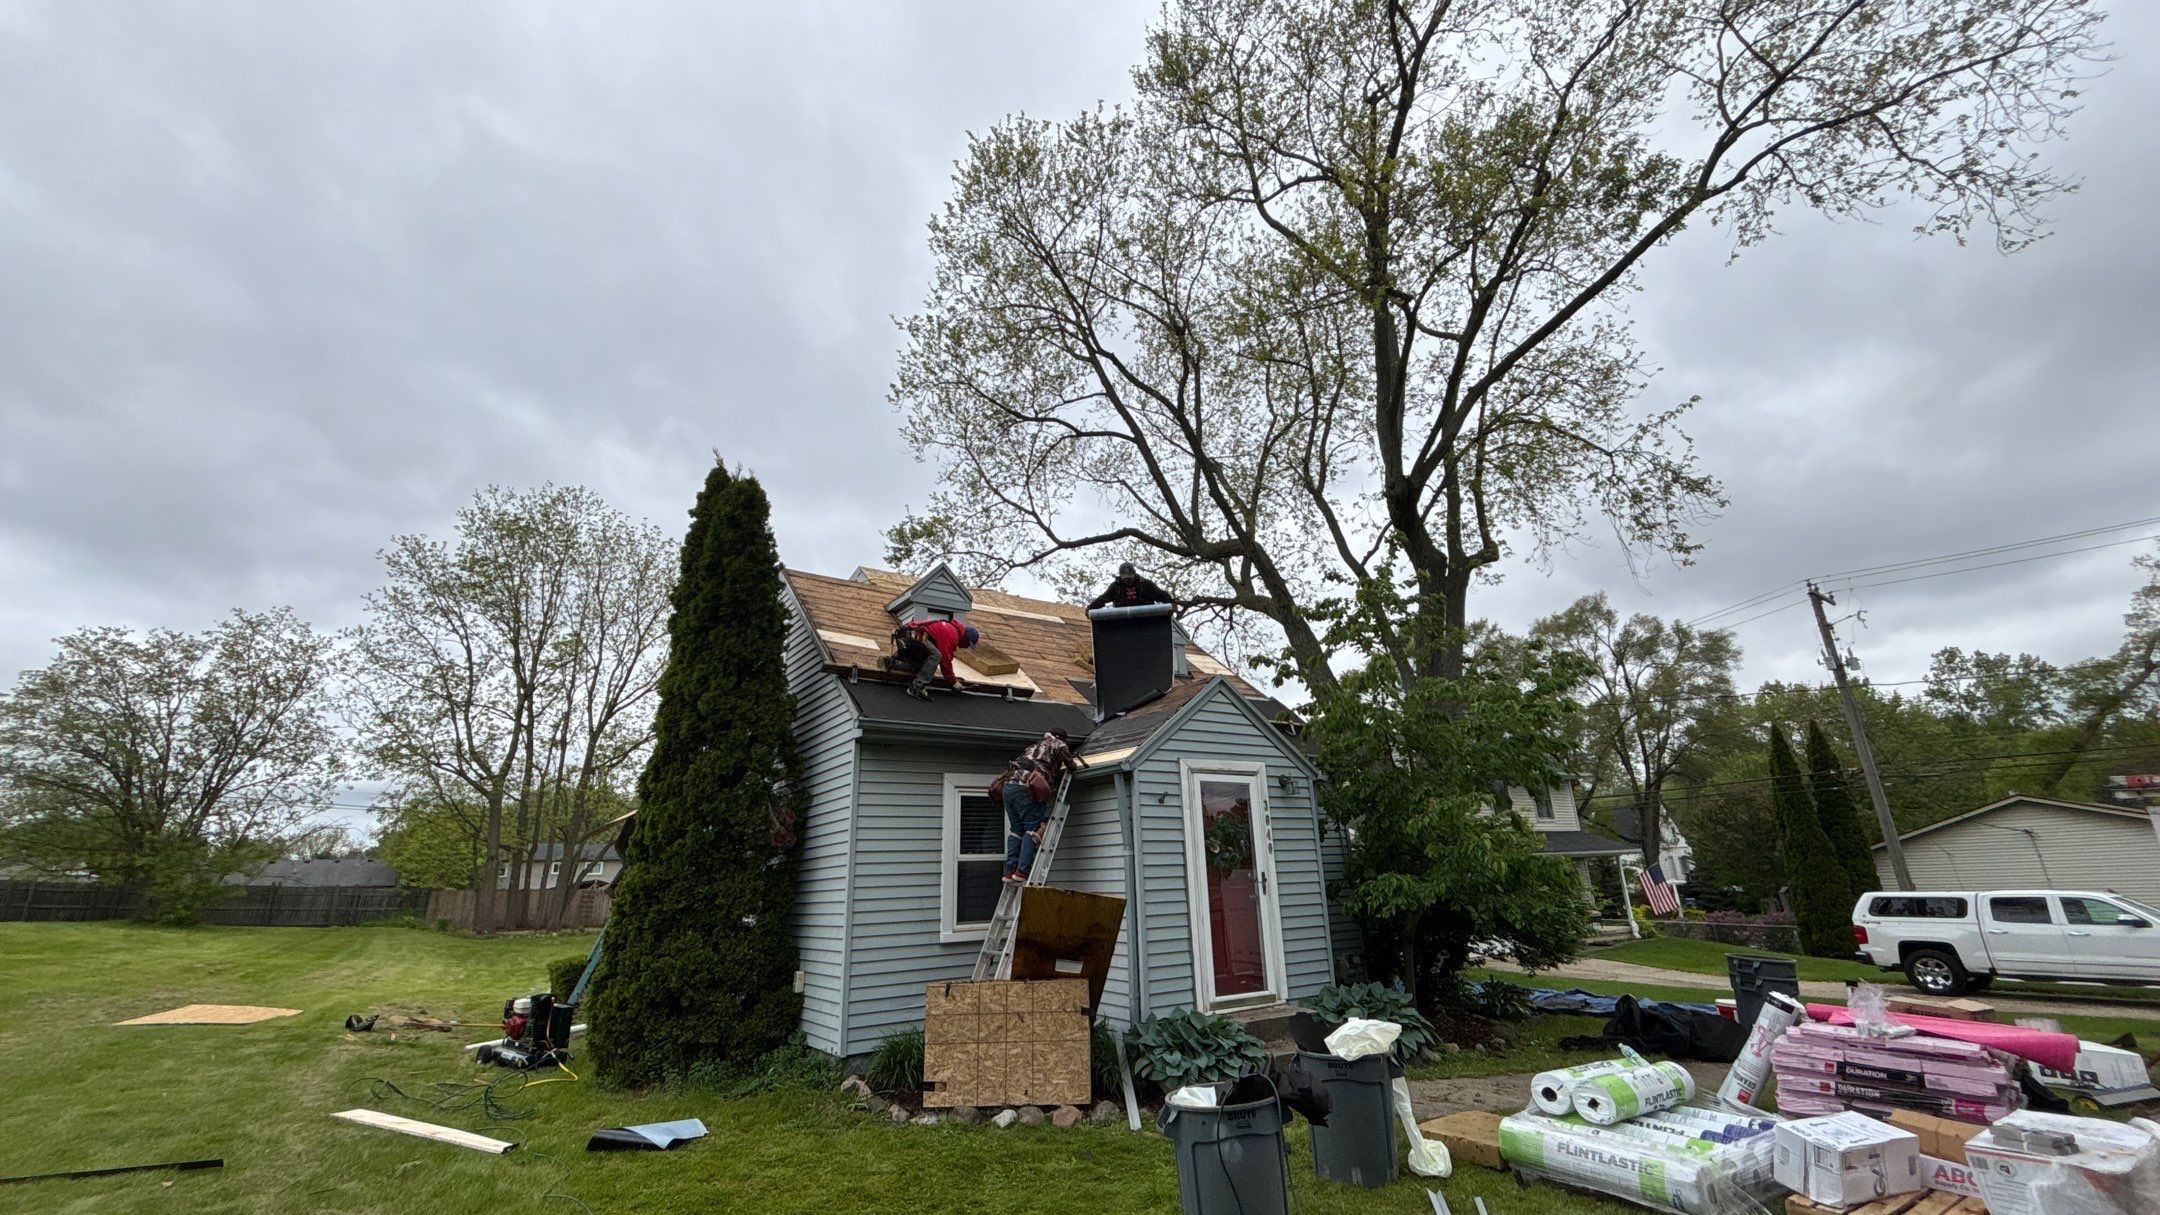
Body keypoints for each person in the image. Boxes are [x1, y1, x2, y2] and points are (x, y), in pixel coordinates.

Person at [999, 729, 1074, 882]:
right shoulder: (1058, 744)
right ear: (1062, 738)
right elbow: (1071, 765)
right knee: (1032, 829)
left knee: (1016, 831)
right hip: (1028, 788)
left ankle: (1009, 872)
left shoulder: (1032, 747)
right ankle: (1021, 871)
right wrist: (1071, 764)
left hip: (1009, 788)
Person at [896, 617, 978, 699]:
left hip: (908, 634)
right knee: (936, 655)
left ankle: (898, 665)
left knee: (929, 657)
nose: (966, 647)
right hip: (912, 636)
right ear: (965, 638)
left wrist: (953, 679)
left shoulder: (951, 629)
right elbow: (945, 662)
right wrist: (953, 682)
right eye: (968, 644)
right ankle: (916, 688)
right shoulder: (951, 635)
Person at [1087, 561, 1173, 610]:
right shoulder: (1116, 587)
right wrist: (1090, 608)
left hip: (1146, 619)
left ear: (1134, 574)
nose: (1128, 580)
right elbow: (1103, 599)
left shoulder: (1146, 584)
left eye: (1130, 577)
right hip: (1124, 621)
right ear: (1120, 576)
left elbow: (1162, 595)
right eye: (1125, 578)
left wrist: (1172, 604)